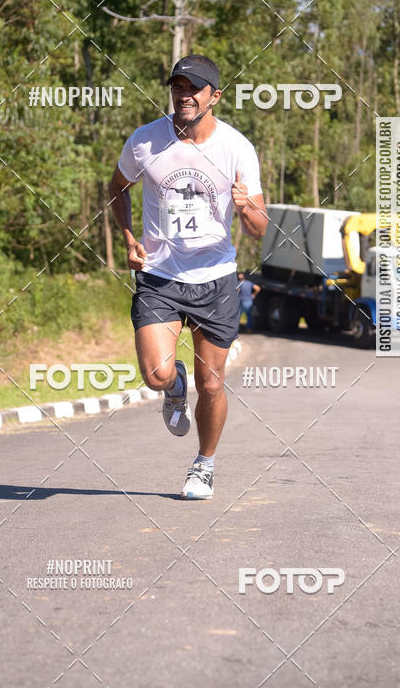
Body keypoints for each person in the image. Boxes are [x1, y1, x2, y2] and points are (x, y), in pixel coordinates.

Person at [108, 53, 267, 499]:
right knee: (156, 374)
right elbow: (117, 189)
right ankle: (172, 386)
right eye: (178, 86)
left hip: (216, 279)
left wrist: (246, 207)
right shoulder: (145, 141)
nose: (184, 94)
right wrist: (127, 236)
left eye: (194, 88)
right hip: (160, 275)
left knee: (212, 384)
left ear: (214, 96)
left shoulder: (237, 148)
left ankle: (204, 465)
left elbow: (259, 227)